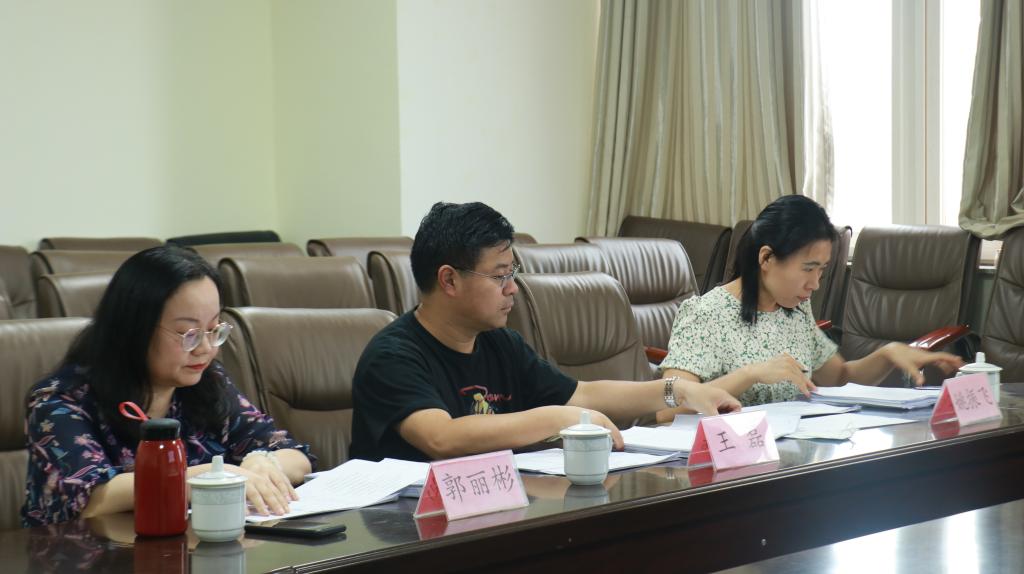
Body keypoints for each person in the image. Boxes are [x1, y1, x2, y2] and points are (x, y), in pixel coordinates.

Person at [350, 202, 741, 462]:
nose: (512, 289)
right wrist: (558, 418)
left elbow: (582, 394)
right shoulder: (394, 355)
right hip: (408, 532)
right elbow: (442, 438)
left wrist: (677, 390)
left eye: (513, 274)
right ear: (449, 280)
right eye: (500, 276)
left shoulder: (500, 343)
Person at [23, 246, 315, 526]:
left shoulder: (208, 381)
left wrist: (264, 462)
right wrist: (206, 477)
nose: (206, 349)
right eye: (188, 333)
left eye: (213, 330)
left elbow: (296, 456)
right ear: (134, 329)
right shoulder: (59, 401)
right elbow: (88, 498)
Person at [657, 195, 964, 416]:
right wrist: (750, 374)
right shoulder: (706, 315)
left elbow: (839, 377)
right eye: (808, 269)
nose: (815, 284)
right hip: (730, 464)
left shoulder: (794, 309)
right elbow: (667, 411)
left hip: (789, 456)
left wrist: (887, 354)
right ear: (766, 258)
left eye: (822, 271)